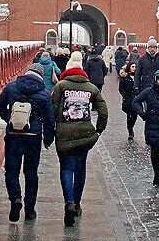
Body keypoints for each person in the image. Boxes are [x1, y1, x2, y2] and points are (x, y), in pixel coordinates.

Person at [51, 50, 108, 226]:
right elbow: (103, 111)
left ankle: (68, 202)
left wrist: (52, 130)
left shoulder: (60, 86)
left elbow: (52, 110)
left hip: (64, 134)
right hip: (85, 134)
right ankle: (77, 203)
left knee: (67, 169)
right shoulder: (90, 88)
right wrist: (98, 130)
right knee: (80, 168)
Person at [0, 63, 56, 222]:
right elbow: (50, 119)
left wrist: (9, 119)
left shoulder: (12, 87)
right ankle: (30, 210)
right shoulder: (44, 93)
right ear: (41, 76)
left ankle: (15, 198)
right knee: (31, 173)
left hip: (14, 135)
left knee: (11, 171)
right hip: (33, 136)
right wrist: (48, 139)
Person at [119, 62, 139, 139]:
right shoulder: (125, 77)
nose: (134, 68)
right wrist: (125, 95)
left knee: (135, 115)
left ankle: (131, 126)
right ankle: (130, 129)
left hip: (136, 99)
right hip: (128, 99)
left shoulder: (138, 77)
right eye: (132, 66)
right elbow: (121, 88)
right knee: (130, 115)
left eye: (135, 67)